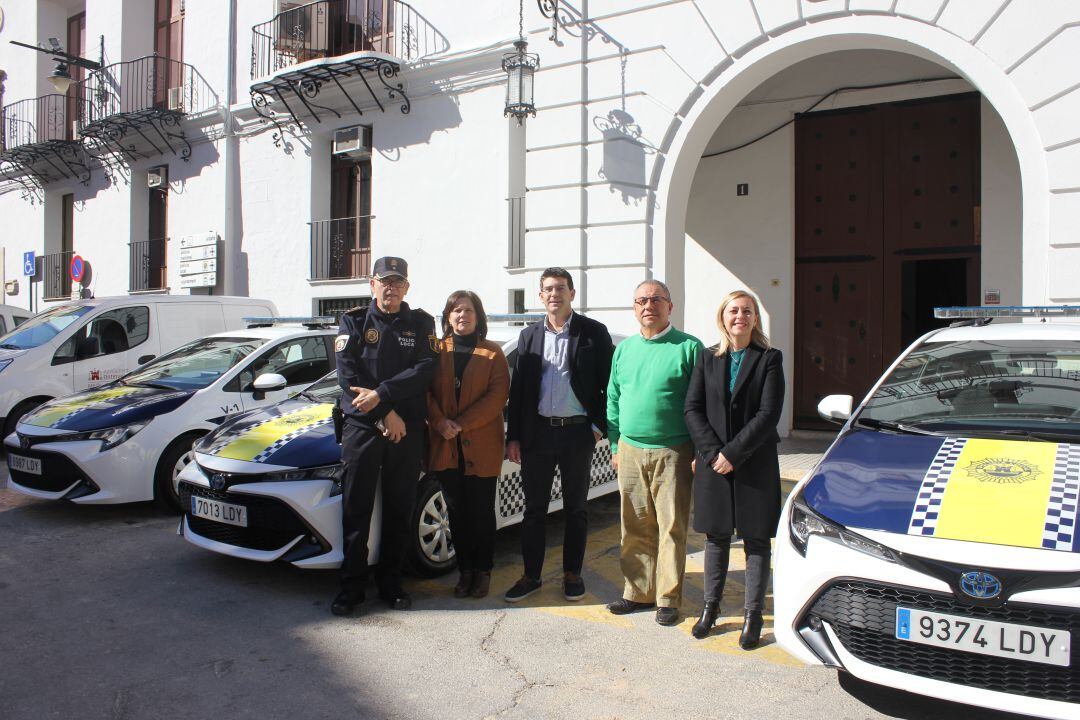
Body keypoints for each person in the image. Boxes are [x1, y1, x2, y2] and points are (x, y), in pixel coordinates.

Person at [331, 256, 438, 616]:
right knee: (356, 508)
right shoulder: (354, 321)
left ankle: (391, 585)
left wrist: (382, 394)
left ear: (407, 287)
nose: (390, 288)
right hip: (365, 427)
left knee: (399, 508)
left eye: (398, 282)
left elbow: (426, 370)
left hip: (405, 431)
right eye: (384, 281)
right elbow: (348, 377)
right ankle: (351, 588)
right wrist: (384, 411)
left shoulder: (422, 322)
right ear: (372, 284)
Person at [504, 268, 615, 603]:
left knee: (576, 509)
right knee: (534, 510)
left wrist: (598, 428)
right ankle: (531, 576)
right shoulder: (529, 336)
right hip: (538, 435)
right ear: (540, 296)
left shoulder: (594, 332)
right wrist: (515, 437)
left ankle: (572, 574)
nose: (555, 294)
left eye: (561, 288)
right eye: (548, 289)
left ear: (572, 293)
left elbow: (611, 384)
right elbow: (520, 390)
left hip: (577, 434)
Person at [683, 290, 784, 648]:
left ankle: (752, 615)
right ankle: (711, 608)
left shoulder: (770, 358)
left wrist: (734, 453)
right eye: (733, 311)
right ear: (722, 317)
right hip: (714, 463)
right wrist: (713, 453)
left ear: (755, 319)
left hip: (754, 462)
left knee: (756, 540)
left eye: (747, 311)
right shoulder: (707, 358)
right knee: (716, 536)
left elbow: (769, 414)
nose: (739, 316)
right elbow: (692, 409)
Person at [606, 280, 703, 626]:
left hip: (674, 449)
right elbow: (613, 396)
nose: (648, 305)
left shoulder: (689, 347)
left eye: (656, 299)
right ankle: (637, 592)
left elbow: (701, 403)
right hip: (630, 449)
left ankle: (667, 598)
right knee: (633, 525)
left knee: (671, 527)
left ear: (670, 306)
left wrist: (699, 450)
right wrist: (616, 442)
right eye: (641, 300)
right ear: (634, 308)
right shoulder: (625, 349)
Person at [426, 290, 510, 599]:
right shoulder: (436, 351)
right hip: (446, 445)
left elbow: (497, 397)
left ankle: (483, 571)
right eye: (457, 310)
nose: (463, 315)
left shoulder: (492, 353)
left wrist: (460, 424)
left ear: (479, 317)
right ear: (447, 317)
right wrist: (439, 422)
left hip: (482, 446)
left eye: (469, 311)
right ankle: (465, 572)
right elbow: (425, 392)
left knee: (482, 513)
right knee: (457, 513)